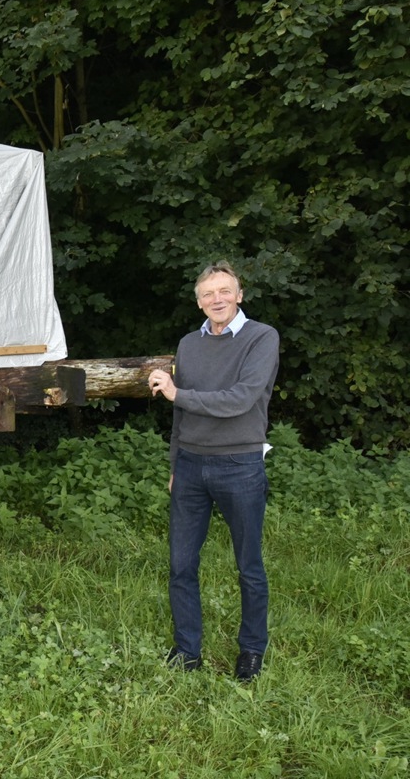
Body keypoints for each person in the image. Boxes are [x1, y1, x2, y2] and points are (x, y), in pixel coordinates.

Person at [147, 261, 279, 683]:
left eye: (225, 291)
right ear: (198, 301)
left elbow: (239, 399)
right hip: (189, 466)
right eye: (208, 294)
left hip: (240, 464)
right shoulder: (189, 344)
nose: (216, 299)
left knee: (248, 566)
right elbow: (179, 417)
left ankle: (252, 650)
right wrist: (174, 463)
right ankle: (188, 651)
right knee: (181, 564)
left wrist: (176, 392)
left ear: (239, 295)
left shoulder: (262, 337)